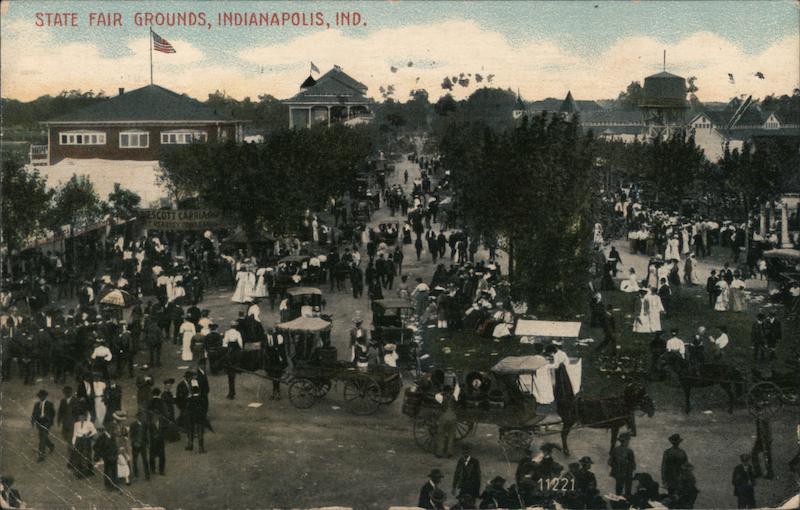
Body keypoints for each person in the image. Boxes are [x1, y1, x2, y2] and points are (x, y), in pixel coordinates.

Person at [31, 389, 55, 462]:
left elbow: (53, 413)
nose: (41, 397)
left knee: (42, 439)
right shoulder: (37, 404)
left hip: (46, 423)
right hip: (39, 423)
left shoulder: (49, 404)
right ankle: (51, 445)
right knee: (42, 437)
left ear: (45, 396)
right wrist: (32, 421)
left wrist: (49, 421)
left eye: (42, 396)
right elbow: (34, 413)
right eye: (40, 396)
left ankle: (41, 456)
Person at [70, 410, 96, 477]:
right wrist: (73, 443)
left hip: (86, 440)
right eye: (79, 417)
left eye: (82, 417)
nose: (81, 418)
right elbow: (74, 434)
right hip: (78, 440)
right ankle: (79, 471)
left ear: (85, 417)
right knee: (78, 455)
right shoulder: (76, 424)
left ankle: (88, 470)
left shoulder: (89, 423)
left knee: (86, 454)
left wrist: (88, 435)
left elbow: (94, 431)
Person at [609, 431, 635, 497]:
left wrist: (616, 467)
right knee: (625, 490)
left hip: (621, 473)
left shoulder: (616, 450)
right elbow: (633, 464)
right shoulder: (628, 451)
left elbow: (610, 462)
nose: (628, 442)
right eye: (627, 440)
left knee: (620, 490)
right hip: (625, 473)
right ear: (624, 441)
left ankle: (620, 500)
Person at [185, 381, 206, 453]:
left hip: (191, 418)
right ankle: (201, 448)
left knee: (191, 431)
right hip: (199, 418)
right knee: (200, 432)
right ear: (199, 392)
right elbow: (204, 408)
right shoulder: (202, 399)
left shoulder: (189, 399)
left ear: (192, 392)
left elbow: (187, 409)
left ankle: (190, 445)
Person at [129, 411, 150, 480]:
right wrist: (134, 442)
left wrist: (147, 443)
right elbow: (131, 435)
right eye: (142, 417)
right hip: (135, 445)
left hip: (143, 444)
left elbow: (146, 434)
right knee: (135, 460)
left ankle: (147, 475)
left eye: (144, 417)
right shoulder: (133, 425)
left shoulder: (145, 424)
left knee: (145, 460)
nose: (144, 418)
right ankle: (136, 474)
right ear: (138, 417)